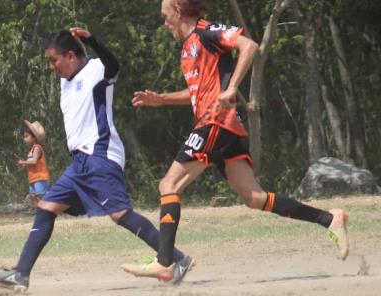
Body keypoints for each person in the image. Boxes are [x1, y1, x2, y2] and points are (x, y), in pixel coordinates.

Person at [121, 0, 349, 281]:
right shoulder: (188, 47)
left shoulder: (206, 32)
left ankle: (166, 262)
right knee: (255, 198)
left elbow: (249, 46)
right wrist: (162, 99)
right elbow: (198, 91)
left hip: (215, 122)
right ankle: (330, 219)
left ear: (178, 11)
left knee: (169, 184)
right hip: (220, 127)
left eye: (165, 15)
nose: (164, 22)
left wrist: (231, 89)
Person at [0, 27, 192, 292]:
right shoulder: (65, 80)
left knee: (120, 214)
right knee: (46, 208)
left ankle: (176, 258)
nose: (51, 66)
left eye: (54, 60)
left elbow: (113, 64)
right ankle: (20, 274)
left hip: (99, 155)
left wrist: (91, 40)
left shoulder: (96, 70)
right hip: (79, 163)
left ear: (70, 55)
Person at [19, 120, 50, 207]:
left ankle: (55, 203)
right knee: (34, 196)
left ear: (34, 138)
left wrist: (23, 162)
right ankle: (40, 211)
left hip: (40, 177)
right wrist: (24, 164)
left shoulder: (36, 148)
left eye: (27, 136)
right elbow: (31, 163)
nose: (24, 138)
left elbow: (34, 161)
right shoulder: (31, 150)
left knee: (41, 196)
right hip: (33, 178)